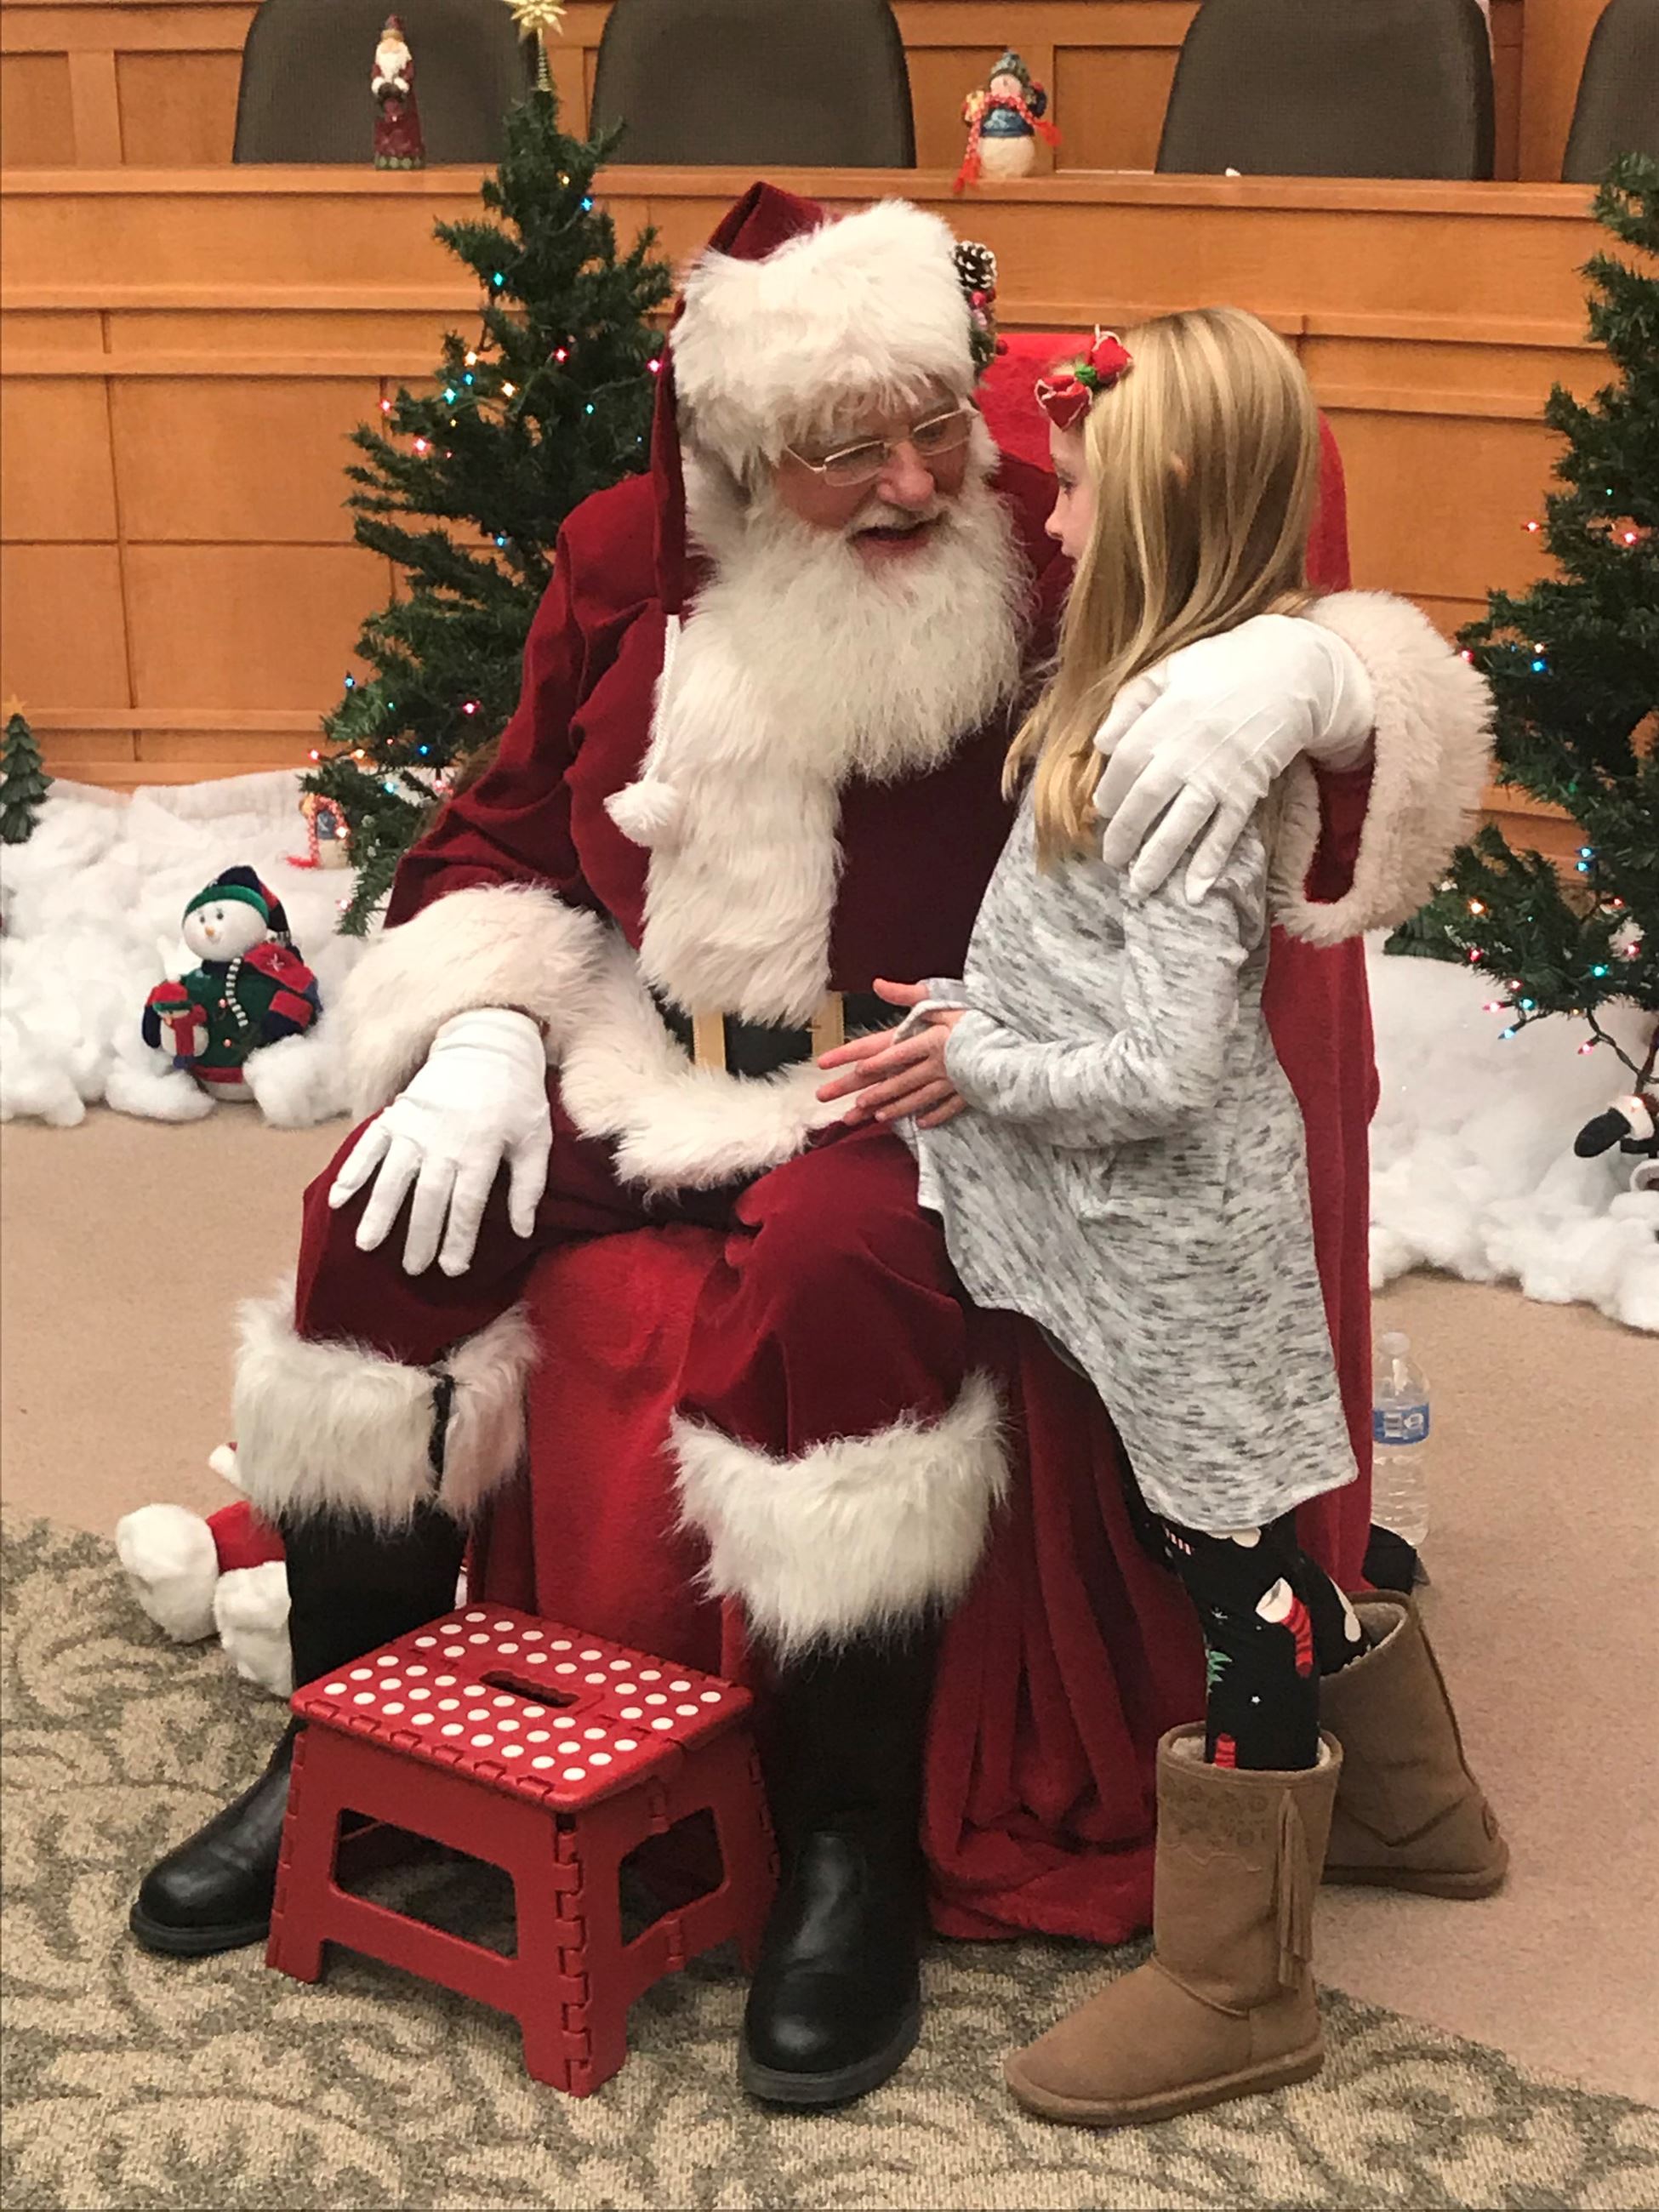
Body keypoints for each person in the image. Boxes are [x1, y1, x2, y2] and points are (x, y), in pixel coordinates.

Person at [129, 185, 1493, 2108]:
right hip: (647, 1052)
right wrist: (489, 1029)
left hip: (926, 1080)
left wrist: (1330, 675)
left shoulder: (1047, 550)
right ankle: (340, 1748)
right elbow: (503, 829)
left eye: (936, 421)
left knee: (843, 1281)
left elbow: (1288, 669)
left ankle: (840, 1839)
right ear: (743, 453)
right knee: (378, 1225)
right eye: (846, 447)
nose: (914, 478)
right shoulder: (626, 560)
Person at [820, 309, 1505, 2129]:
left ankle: (1236, 1978)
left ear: (1175, 506)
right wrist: (983, 1010)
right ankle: (1418, 1812)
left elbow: (1164, 1068)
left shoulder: (1170, 764)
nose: (1053, 528)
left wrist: (977, 1062)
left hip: (1177, 1237)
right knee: (1220, 1513)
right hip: (1140, 1238)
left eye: (1089, 501)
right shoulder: (1133, 700)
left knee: (1241, 1568)